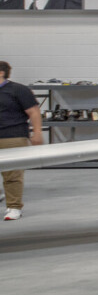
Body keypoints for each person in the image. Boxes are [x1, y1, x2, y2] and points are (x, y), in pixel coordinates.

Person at [0, 61, 42, 221]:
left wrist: (37, 132)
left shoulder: (18, 90)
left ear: (1, 73)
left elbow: (34, 111)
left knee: (12, 173)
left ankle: (14, 206)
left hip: (13, 136)